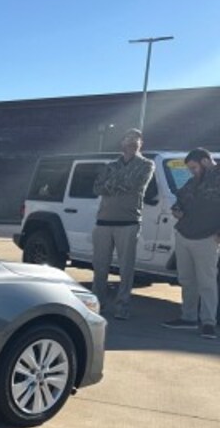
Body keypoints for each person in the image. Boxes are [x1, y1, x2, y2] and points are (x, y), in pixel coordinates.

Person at [92, 129, 155, 320]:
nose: (132, 142)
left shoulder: (146, 165)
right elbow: (96, 188)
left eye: (136, 139)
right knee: (100, 267)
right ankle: (97, 304)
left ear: (141, 144)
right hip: (103, 221)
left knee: (126, 268)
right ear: (122, 143)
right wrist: (116, 184)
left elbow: (135, 185)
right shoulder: (110, 165)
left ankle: (122, 306)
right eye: (128, 138)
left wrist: (110, 185)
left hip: (128, 222)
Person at [161, 148, 220, 339]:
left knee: (207, 282)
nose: (192, 171)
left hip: (207, 238)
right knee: (187, 280)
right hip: (184, 234)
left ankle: (209, 322)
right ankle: (188, 317)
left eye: (194, 167)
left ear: (204, 161)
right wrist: (177, 209)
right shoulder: (192, 182)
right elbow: (179, 200)